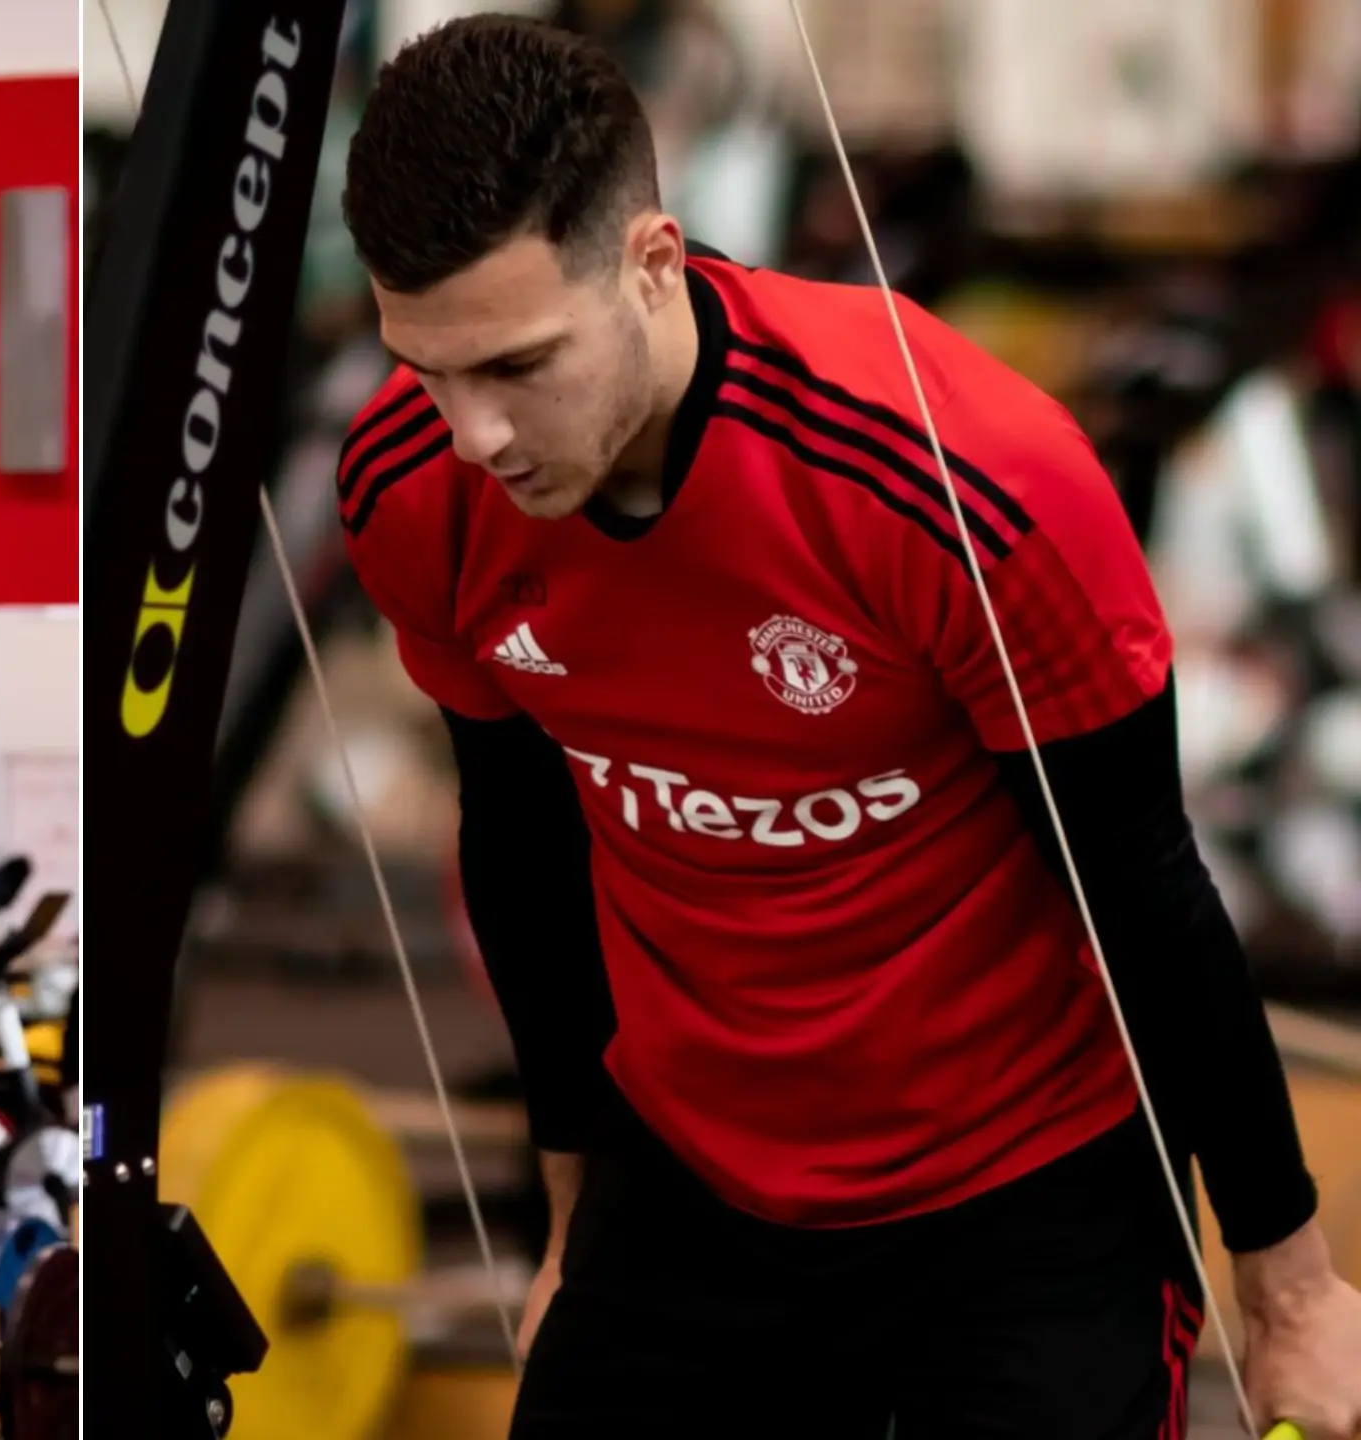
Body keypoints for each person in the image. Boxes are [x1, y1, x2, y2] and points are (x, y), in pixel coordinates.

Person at [336, 15, 1361, 1437]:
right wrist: (568, 1213)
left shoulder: (961, 479)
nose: (475, 436)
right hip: (693, 1180)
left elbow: (1141, 877)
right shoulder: (410, 490)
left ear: (652, 262)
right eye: (427, 369)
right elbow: (518, 837)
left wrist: (1291, 1288)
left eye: (517, 365)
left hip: (1021, 1187)